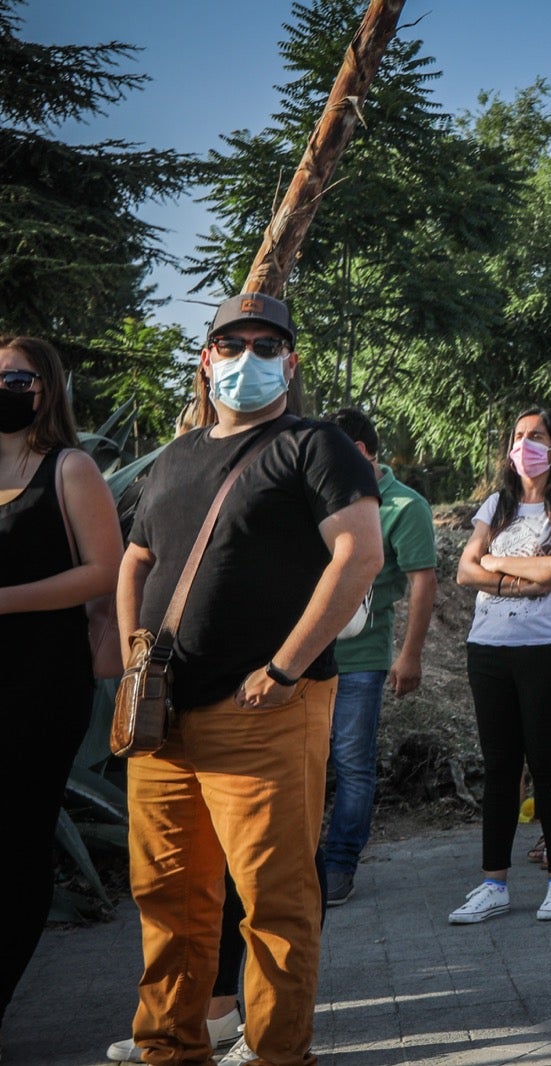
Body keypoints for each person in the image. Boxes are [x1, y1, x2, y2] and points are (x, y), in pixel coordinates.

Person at [117, 294, 383, 1065]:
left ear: (290, 363)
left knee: (273, 904)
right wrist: (138, 655)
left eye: (268, 344)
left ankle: (275, 1053)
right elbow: (137, 557)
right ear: (207, 358)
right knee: (167, 898)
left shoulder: (313, 444)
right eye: (232, 343)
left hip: (264, 708)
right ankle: (169, 1047)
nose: (249, 358)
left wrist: (284, 667)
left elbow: (358, 553)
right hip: (164, 717)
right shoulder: (175, 457)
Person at [0, 336, 121, 1049]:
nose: (6, 388)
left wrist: (5, 601)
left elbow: (102, 573)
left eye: (16, 377)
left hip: (40, 685)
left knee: (17, 843)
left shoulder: (69, 468)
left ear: (45, 388)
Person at [452, 407, 551, 924]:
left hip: (548, 650)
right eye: (519, 435)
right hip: (488, 649)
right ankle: (494, 884)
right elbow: (466, 571)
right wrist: (529, 578)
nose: (525, 443)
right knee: (500, 767)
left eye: (537, 436)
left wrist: (498, 562)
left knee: (548, 762)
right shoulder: (497, 504)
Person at [324, 407, 438, 906]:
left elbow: (422, 583)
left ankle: (339, 865)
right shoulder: (317, 497)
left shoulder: (404, 506)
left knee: (351, 764)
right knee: (304, 764)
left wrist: (409, 656)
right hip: (301, 659)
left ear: (360, 452)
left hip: (362, 660)